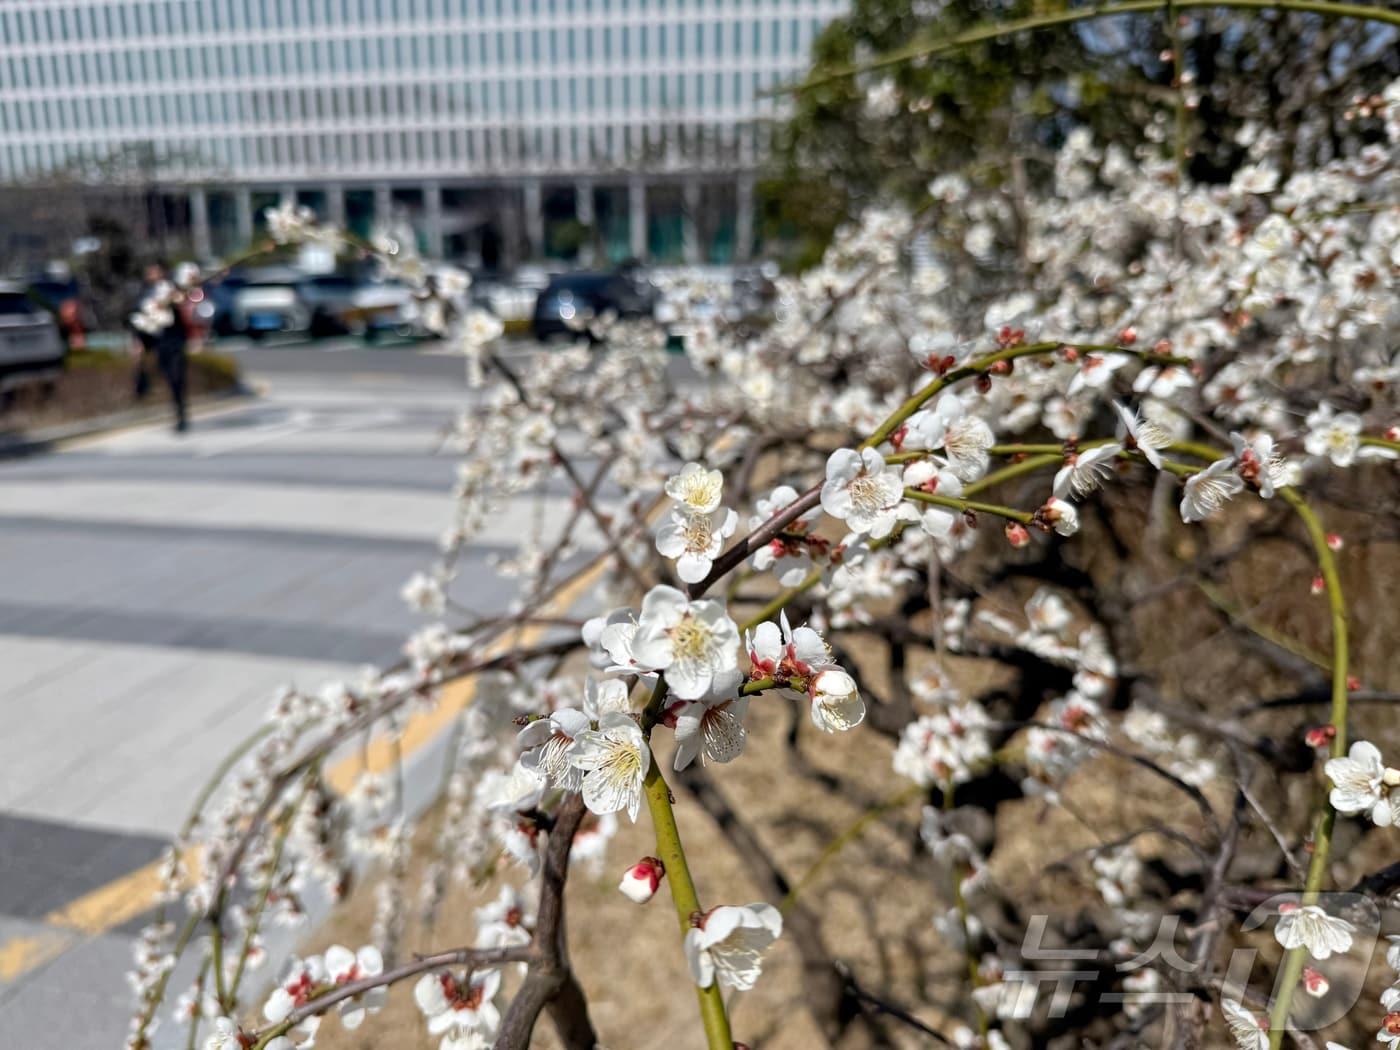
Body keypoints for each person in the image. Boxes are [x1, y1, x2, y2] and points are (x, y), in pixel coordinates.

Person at [128, 262, 190, 432]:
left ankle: (181, 414)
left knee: (176, 377)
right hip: (154, 341)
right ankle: (143, 390)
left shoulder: (172, 290)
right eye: (150, 272)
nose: (152, 275)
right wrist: (138, 342)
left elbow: (184, 301)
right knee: (160, 374)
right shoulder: (143, 295)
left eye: (155, 272)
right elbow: (138, 319)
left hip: (173, 341)